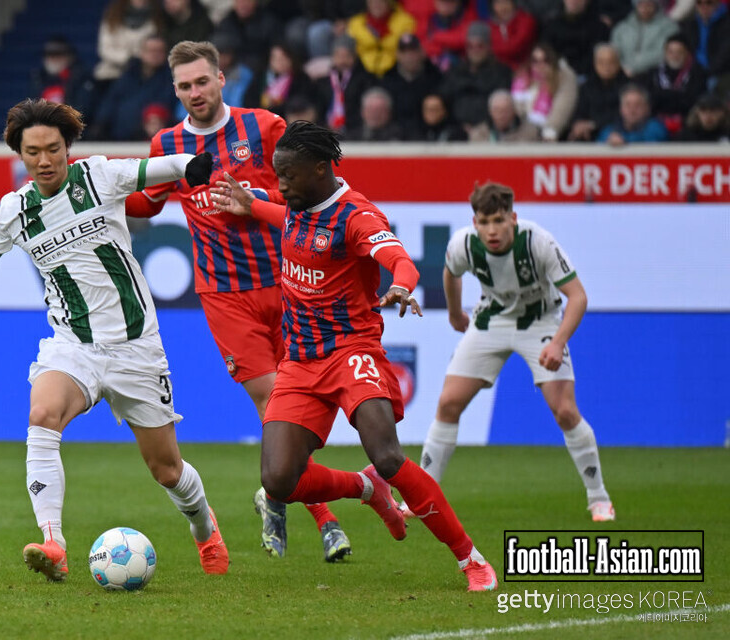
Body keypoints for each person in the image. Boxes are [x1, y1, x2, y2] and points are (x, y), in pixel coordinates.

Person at [0, 98, 229, 581]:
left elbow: (163, 166)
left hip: (135, 347)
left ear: (67, 148)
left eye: (53, 149)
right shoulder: (14, 210)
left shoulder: (99, 176)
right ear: (20, 154)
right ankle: (53, 543)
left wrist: (193, 165)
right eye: (33, 152)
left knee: (167, 470)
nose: (44, 160)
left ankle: (205, 531)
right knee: (42, 414)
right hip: (72, 345)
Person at [210, 121, 498, 592]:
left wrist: (402, 283)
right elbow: (290, 221)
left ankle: (471, 561)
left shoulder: (357, 217)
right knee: (279, 480)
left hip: (351, 352)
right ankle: (365, 489)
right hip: (300, 361)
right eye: (277, 177)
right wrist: (252, 205)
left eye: (289, 176)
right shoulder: (298, 204)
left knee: (386, 455)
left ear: (321, 169)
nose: (281, 186)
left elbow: (398, 257)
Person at [123, 40, 353, 562]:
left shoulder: (265, 128)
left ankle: (276, 492)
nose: (194, 93)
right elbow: (143, 202)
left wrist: (257, 201)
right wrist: (102, 185)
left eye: (202, 81)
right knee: (274, 401)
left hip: (288, 284)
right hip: (225, 296)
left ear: (222, 79)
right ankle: (324, 516)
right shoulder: (169, 144)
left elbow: (314, 190)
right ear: (175, 89)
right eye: (184, 85)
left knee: (308, 409)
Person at [419, 182, 615, 523]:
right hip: (490, 321)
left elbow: (578, 296)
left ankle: (599, 497)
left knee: (565, 411)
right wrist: (454, 313)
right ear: (475, 222)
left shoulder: (537, 241)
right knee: (448, 403)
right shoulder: (464, 243)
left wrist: (557, 342)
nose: (492, 231)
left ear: (513, 218)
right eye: (484, 222)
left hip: (539, 323)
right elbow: (450, 274)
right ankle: (424, 496)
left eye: (498, 220)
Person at [91, 34, 175, 140]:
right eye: (151, 51)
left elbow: (165, 107)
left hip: (146, 140)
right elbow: (111, 100)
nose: (155, 55)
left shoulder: (170, 79)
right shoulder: (128, 74)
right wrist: (100, 123)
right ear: (142, 52)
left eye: (159, 51)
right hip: (117, 138)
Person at [438, 21, 513, 129]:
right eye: (470, 46)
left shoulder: (501, 72)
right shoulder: (455, 72)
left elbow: (501, 106)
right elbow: (445, 101)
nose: (475, 50)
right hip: (456, 129)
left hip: (489, 130)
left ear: (488, 46)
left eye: (480, 46)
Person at [510, 42, 579, 140]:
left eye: (546, 60)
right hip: (521, 130)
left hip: (545, 134)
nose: (540, 65)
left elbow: (561, 110)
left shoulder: (564, 78)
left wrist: (550, 131)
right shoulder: (524, 78)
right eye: (535, 60)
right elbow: (517, 110)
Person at [381, 32, 443, 135]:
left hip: (428, 135)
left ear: (422, 53)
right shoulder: (388, 80)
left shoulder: (435, 78)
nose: (409, 56)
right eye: (404, 52)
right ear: (398, 55)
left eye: (413, 51)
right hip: (394, 136)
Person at [29, 36, 97, 126]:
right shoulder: (37, 79)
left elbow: (83, 112)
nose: (53, 58)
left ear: (70, 56)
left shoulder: (81, 79)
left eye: (58, 54)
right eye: (48, 54)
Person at [568, 43, 628, 141]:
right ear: (594, 63)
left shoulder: (628, 86)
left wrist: (593, 124)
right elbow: (579, 112)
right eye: (601, 62)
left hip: (618, 134)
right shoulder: (587, 86)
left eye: (611, 62)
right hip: (588, 134)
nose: (606, 67)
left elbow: (623, 115)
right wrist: (578, 124)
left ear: (618, 63)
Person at [346, 0, 417, 77]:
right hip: (362, 71)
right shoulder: (356, 24)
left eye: (381, 2)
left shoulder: (405, 22)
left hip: (396, 70)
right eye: (372, 2)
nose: (376, 5)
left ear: (389, 3)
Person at [611, 0, 679, 77]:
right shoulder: (622, 27)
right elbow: (614, 50)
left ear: (656, 6)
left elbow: (663, 53)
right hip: (623, 74)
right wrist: (623, 68)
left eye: (649, 5)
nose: (645, 9)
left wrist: (634, 67)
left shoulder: (669, 27)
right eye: (641, 5)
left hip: (655, 75)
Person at [597, 82, 669, 143]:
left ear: (647, 108)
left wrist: (624, 141)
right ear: (621, 108)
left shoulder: (656, 127)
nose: (632, 110)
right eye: (627, 105)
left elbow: (652, 140)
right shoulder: (609, 130)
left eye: (637, 105)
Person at [468, 88, 541, 141]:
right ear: (490, 112)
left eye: (506, 110)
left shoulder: (531, 133)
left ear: (514, 111)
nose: (501, 115)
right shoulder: (478, 134)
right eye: (497, 110)